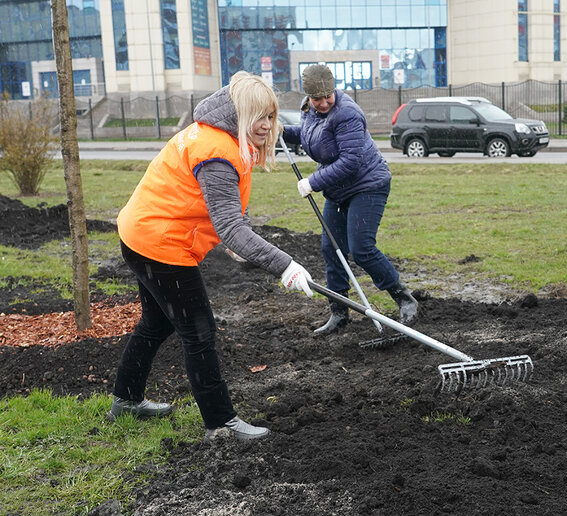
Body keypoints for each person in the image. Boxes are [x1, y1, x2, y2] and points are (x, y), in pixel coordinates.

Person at [109, 71, 315, 440]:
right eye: (260, 117)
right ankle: (220, 423)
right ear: (240, 113)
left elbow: (233, 216)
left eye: (271, 116)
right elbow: (231, 228)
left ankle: (126, 400)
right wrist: (285, 265)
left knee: (157, 323)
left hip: (141, 232)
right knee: (199, 331)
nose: (268, 125)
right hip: (161, 244)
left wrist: (240, 245)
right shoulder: (217, 151)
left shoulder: (218, 135)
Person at [281, 64, 418, 334]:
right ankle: (339, 312)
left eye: (327, 96)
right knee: (330, 249)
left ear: (334, 90)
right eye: (316, 98)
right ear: (308, 96)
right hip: (338, 190)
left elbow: (350, 161)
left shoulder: (347, 114)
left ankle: (405, 299)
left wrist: (313, 181)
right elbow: (311, 136)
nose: (323, 103)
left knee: (361, 248)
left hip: (367, 185)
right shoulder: (308, 109)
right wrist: (282, 131)